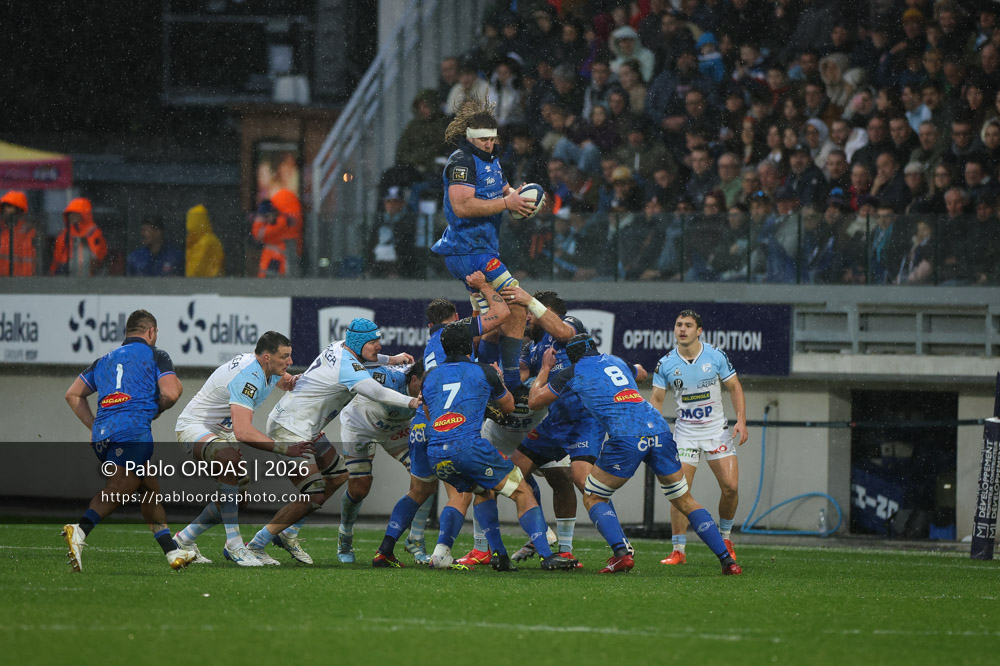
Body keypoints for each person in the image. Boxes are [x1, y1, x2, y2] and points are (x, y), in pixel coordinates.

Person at [527, 333, 741, 576]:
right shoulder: (617, 361)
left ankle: (621, 554)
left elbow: (534, 401)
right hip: (659, 430)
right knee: (684, 500)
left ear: (572, 357)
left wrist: (544, 369)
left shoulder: (573, 371)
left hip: (626, 435)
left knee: (593, 496)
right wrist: (633, 371)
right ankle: (727, 561)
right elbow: (640, 372)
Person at [252, 318, 416, 565]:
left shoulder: (340, 346)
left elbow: (367, 360)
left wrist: (391, 360)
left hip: (303, 426)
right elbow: (377, 392)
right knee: (314, 494)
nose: (379, 346)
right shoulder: (347, 366)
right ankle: (257, 543)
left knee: (339, 476)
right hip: (290, 429)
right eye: (373, 342)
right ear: (359, 343)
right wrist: (412, 401)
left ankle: (288, 533)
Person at [371, 283, 510, 568]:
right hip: (449, 428)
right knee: (463, 493)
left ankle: (385, 549)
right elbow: (501, 317)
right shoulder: (459, 333)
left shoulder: (436, 343)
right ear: (458, 319)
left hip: (423, 424)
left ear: (431, 325)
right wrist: (484, 288)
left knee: (418, 491)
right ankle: (444, 552)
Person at [420, 322, 579, 571]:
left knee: (481, 492)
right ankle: (547, 555)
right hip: (469, 447)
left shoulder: (429, 376)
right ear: (470, 345)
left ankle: (471, 554)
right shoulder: (484, 371)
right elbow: (508, 407)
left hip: (436, 452)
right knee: (522, 491)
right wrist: (500, 383)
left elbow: (429, 411)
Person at [62, 309, 194, 572]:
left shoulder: (104, 360)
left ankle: (172, 552)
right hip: (132, 432)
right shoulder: (156, 354)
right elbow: (172, 392)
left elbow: (73, 395)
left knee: (148, 489)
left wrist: (94, 425)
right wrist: (153, 410)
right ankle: (80, 530)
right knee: (122, 486)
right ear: (151, 332)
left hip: (103, 436)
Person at [173, 331, 310, 566]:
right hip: (194, 426)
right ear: (267, 357)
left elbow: (287, 381)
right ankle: (235, 546)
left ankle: (184, 539)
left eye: (290, 356)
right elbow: (244, 432)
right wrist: (285, 448)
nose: (289, 362)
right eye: (284, 356)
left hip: (221, 432)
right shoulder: (248, 376)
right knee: (228, 460)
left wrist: (315, 380)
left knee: (239, 499)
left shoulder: (267, 369)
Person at [432, 98, 537, 392]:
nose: (489, 144)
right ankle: (512, 381)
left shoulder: (492, 159)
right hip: (467, 250)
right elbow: (462, 206)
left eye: (493, 139)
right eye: (484, 140)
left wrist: (519, 198)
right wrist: (506, 203)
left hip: (482, 249)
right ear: (470, 138)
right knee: (516, 303)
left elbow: (504, 190)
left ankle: (478, 375)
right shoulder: (461, 161)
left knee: (488, 318)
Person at [501, 286, 601, 565]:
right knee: (512, 474)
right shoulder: (532, 347)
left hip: (582, 419)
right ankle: (542, 534)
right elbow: (516, 377)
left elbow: (563, 332)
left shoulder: (571, 326)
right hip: (554, 422)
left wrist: (529, 300)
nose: (527, 322)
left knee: (580, 483)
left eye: (530, 316)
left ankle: (615, 544)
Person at [650, 310, 748, 565]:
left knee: (731, 487)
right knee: (680, 491)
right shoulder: (665, 363)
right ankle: (678, 550)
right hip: (686, 434)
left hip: (716, 431)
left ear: (699, 330)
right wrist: (653, 429)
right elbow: (657, 400)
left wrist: (741, 420)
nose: (682, 329)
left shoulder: (715, 356)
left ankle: (725, 537)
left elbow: (735, 386)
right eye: (679, 325)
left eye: (688, 325)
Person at [50, 197, 107, 276]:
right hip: (67, 275)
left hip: (88, 276)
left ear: (83, 215)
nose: (71, 216)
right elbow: (57, 258)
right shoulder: (64, 234)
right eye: (70, 214)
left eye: (75, 214)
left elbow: (98, 256)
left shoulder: (94, 232)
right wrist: (53, 272)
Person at [368, 186, 415, 278]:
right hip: (378, 264)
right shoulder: (379, 221)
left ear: (402, 203)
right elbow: (371, 245)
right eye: (389, 201)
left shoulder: (408, 222)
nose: (392, 205)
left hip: (398, 267)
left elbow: (407, 249)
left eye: (395, 202)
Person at [0, 190, 35, 277]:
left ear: (18, 209)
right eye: (4, 206)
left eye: (9, 206)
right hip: (3, 280)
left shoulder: (28, 231)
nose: (6, 209)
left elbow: (31, 258)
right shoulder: (2, 228)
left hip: (23, 280)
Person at [185, 204, 224, 277]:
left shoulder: (207, 241)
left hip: (206, 284)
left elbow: (195, 270)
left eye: (191, 219)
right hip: (204, 283)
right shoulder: (196, 240)